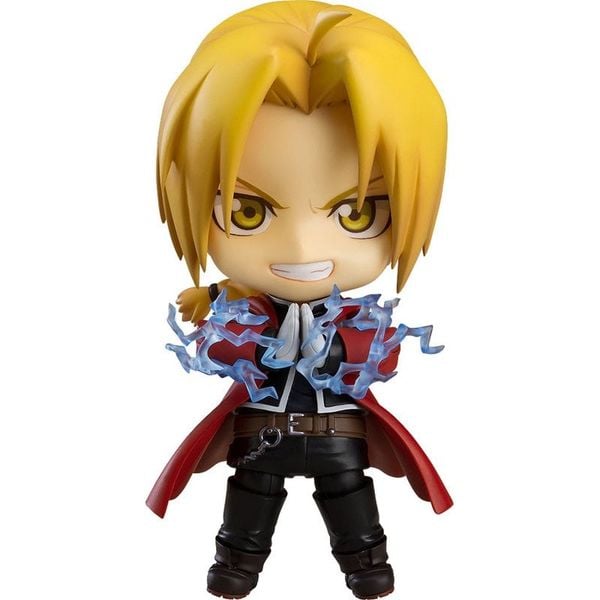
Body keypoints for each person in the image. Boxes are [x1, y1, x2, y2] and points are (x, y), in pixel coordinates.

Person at [147, 2, 452, 598]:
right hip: (263, 432)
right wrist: (228, 319)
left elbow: (383, 356)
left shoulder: (355, 318)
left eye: (356, 213)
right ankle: (237, 567)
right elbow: (222, 352)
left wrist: (335, 350)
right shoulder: (242, 310)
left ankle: (366, 565)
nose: (302, 249)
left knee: (351, 502)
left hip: (338, 433)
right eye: (247, 211)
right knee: (248, 504)